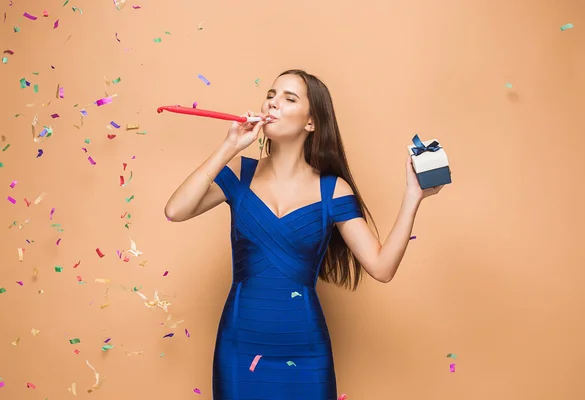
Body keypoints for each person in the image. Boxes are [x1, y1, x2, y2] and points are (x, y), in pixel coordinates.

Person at [164, 69, 444, 399]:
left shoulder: (333, 191)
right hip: (239, 347)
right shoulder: (241, 173)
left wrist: (413, 197)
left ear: (311, 122)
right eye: (271, 95)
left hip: (306, 351)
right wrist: (229, 146)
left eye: (288, 98)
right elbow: (175, 210)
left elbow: (382, 268)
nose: (273, 103)